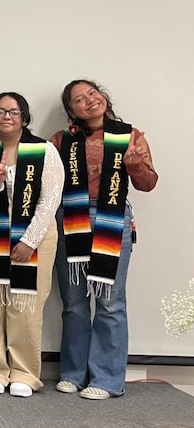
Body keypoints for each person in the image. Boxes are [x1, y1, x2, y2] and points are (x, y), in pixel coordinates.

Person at [51, 79, 157, 399]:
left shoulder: (129, 135)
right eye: (79, 99)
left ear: (103, 97)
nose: (89, 100)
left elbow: (148, 183)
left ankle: (107, 379)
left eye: (92, 93)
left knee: (110, 302)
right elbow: (47, 183)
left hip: (113, 219)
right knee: (73, 301)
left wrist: (134, 164)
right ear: (72, 110)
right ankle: (73, 373)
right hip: (71, 217)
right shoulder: (60, 140)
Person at [0, 93, 64, 397]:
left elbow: (50, 200)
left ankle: (25, 372)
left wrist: (29, 240)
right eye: (0, 111)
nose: (7, 116)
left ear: (24, 117)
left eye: (13, 111)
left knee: (26, 303)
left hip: (37, 236)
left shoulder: (45, 150)